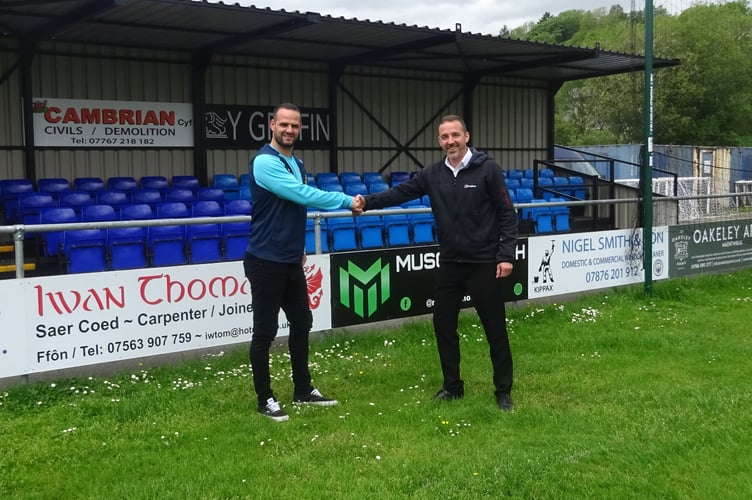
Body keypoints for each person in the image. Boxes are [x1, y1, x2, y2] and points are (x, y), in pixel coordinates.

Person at [362, 114, 518, 411]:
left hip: (484, 263)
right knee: (443, 325)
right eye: (444, 137)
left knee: (494, 328)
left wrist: (506, 255)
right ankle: (452, 386)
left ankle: (503, 391)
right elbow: (400, 193)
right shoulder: (432, 174)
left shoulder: (488, 169)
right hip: (450, 264)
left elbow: (507, 213)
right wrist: (367, 203)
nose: (450, 142)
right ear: (439, 141)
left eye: (455, 135)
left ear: (466, 136)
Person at [244, 102, 365, 422]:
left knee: (302, 323)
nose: (289, 130)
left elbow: (294, 211)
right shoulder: (264, 162)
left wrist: (297, 247)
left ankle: (302, 390)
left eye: (295, 126)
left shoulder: (296, 161)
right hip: (265, 260)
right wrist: (345, 200)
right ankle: (264, 398)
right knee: (265, 331)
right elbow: (301, 195)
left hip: (289, 260)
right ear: (271, 125)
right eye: (283, 124)